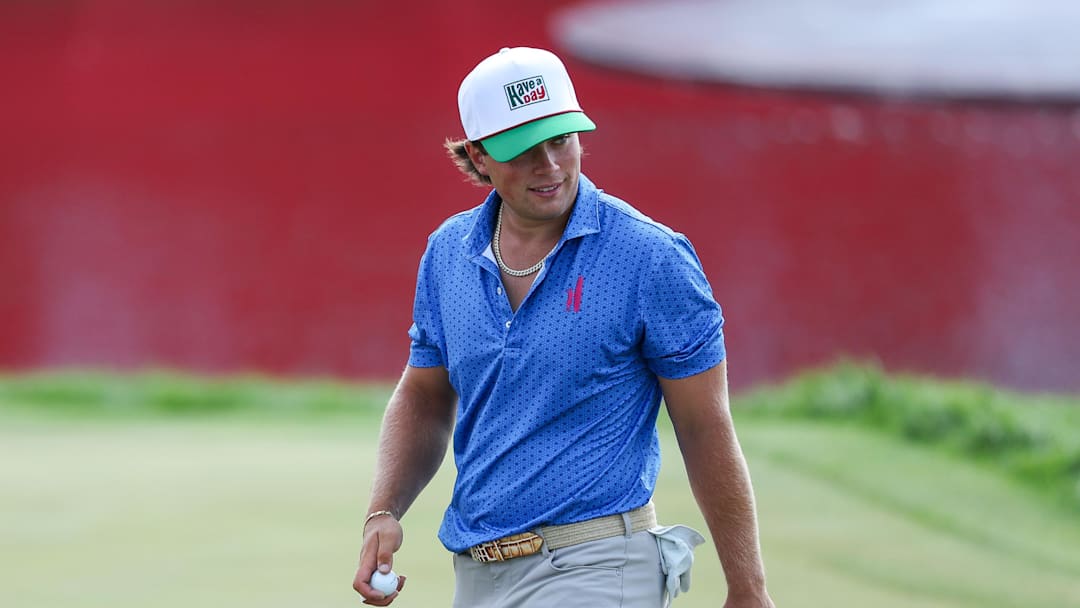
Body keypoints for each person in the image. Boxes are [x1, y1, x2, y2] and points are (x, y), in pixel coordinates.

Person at [352, 46, 775, 608]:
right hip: (477, 573)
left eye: (561, 140)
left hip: (600, 564)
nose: (550, 165)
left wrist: (748, 586)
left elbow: (705, 426)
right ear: (479, 157)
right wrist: (384, 510)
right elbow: (425, 395)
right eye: (524, 150)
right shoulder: (447, 254)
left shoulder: (650, 258)